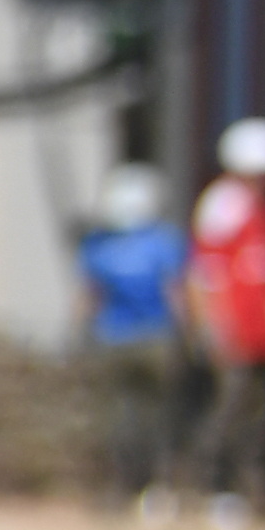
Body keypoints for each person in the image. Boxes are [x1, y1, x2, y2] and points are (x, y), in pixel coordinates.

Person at [184, 117, 265, 515]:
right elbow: (205, 272)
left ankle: (254, 489)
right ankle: (211, 489)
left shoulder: (260, 209)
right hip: (233, 333)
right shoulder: (225, 203)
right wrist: (213, 328)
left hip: (262, 335)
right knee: (227, 411)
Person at [75, 165, 187, 508]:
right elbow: (177, 293)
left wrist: (79, 338)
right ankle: (153, 487)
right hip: (153, 337)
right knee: (156, 417)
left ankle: (122, 487)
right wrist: (190, 337)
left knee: (121, 418)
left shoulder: (98, 245)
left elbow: (88, 299)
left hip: (114, 338)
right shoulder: (162, 241)